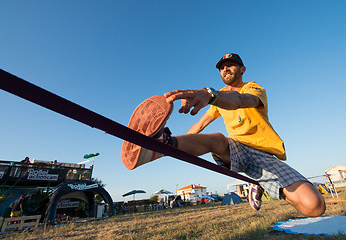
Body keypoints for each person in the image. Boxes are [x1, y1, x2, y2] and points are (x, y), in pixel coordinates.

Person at [130, 53, 325, 217]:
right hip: (235, 149)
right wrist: (176, 145)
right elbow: (199, 125)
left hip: (264, 155)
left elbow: (240, 100)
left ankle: (264, 185)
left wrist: (210, 95)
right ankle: (159, 146)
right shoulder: (219, 96)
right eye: (222, 67)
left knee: (314, 206)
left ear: (242, 69)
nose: (225, 69)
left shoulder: (253, 88)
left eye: (230, 65)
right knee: (217, 139)